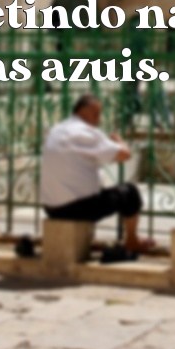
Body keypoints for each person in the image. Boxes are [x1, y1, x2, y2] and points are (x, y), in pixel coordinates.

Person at [39, 94, 154, 258]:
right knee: (129, 192)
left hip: (50, 208)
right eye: (96, 114)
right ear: (85, 112)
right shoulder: (86, 132)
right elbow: (124, 154)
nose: (98, 120)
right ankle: (132, 240)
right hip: (75, 209)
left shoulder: (56, 129)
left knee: (98, 185)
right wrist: (119, 141)